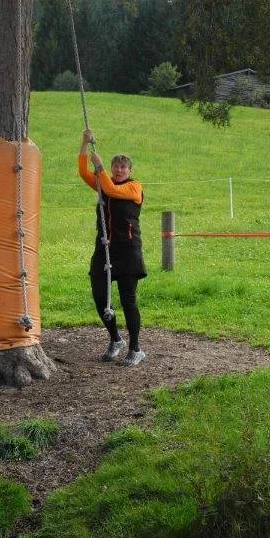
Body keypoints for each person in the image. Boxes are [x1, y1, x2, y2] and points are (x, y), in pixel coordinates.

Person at [78, 128, 147, 365]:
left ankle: (136, 348)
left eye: (123, 167)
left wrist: (100, 168)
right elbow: (83, 172)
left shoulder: (134, 187)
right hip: (105, 250)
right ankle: (116, 339)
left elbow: (112, 190)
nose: (118, 170)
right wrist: (84, 144)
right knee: (100, 296)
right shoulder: (103, 182)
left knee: (128, 299)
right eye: (115, 166)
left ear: (129, 171)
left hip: (128, 250)